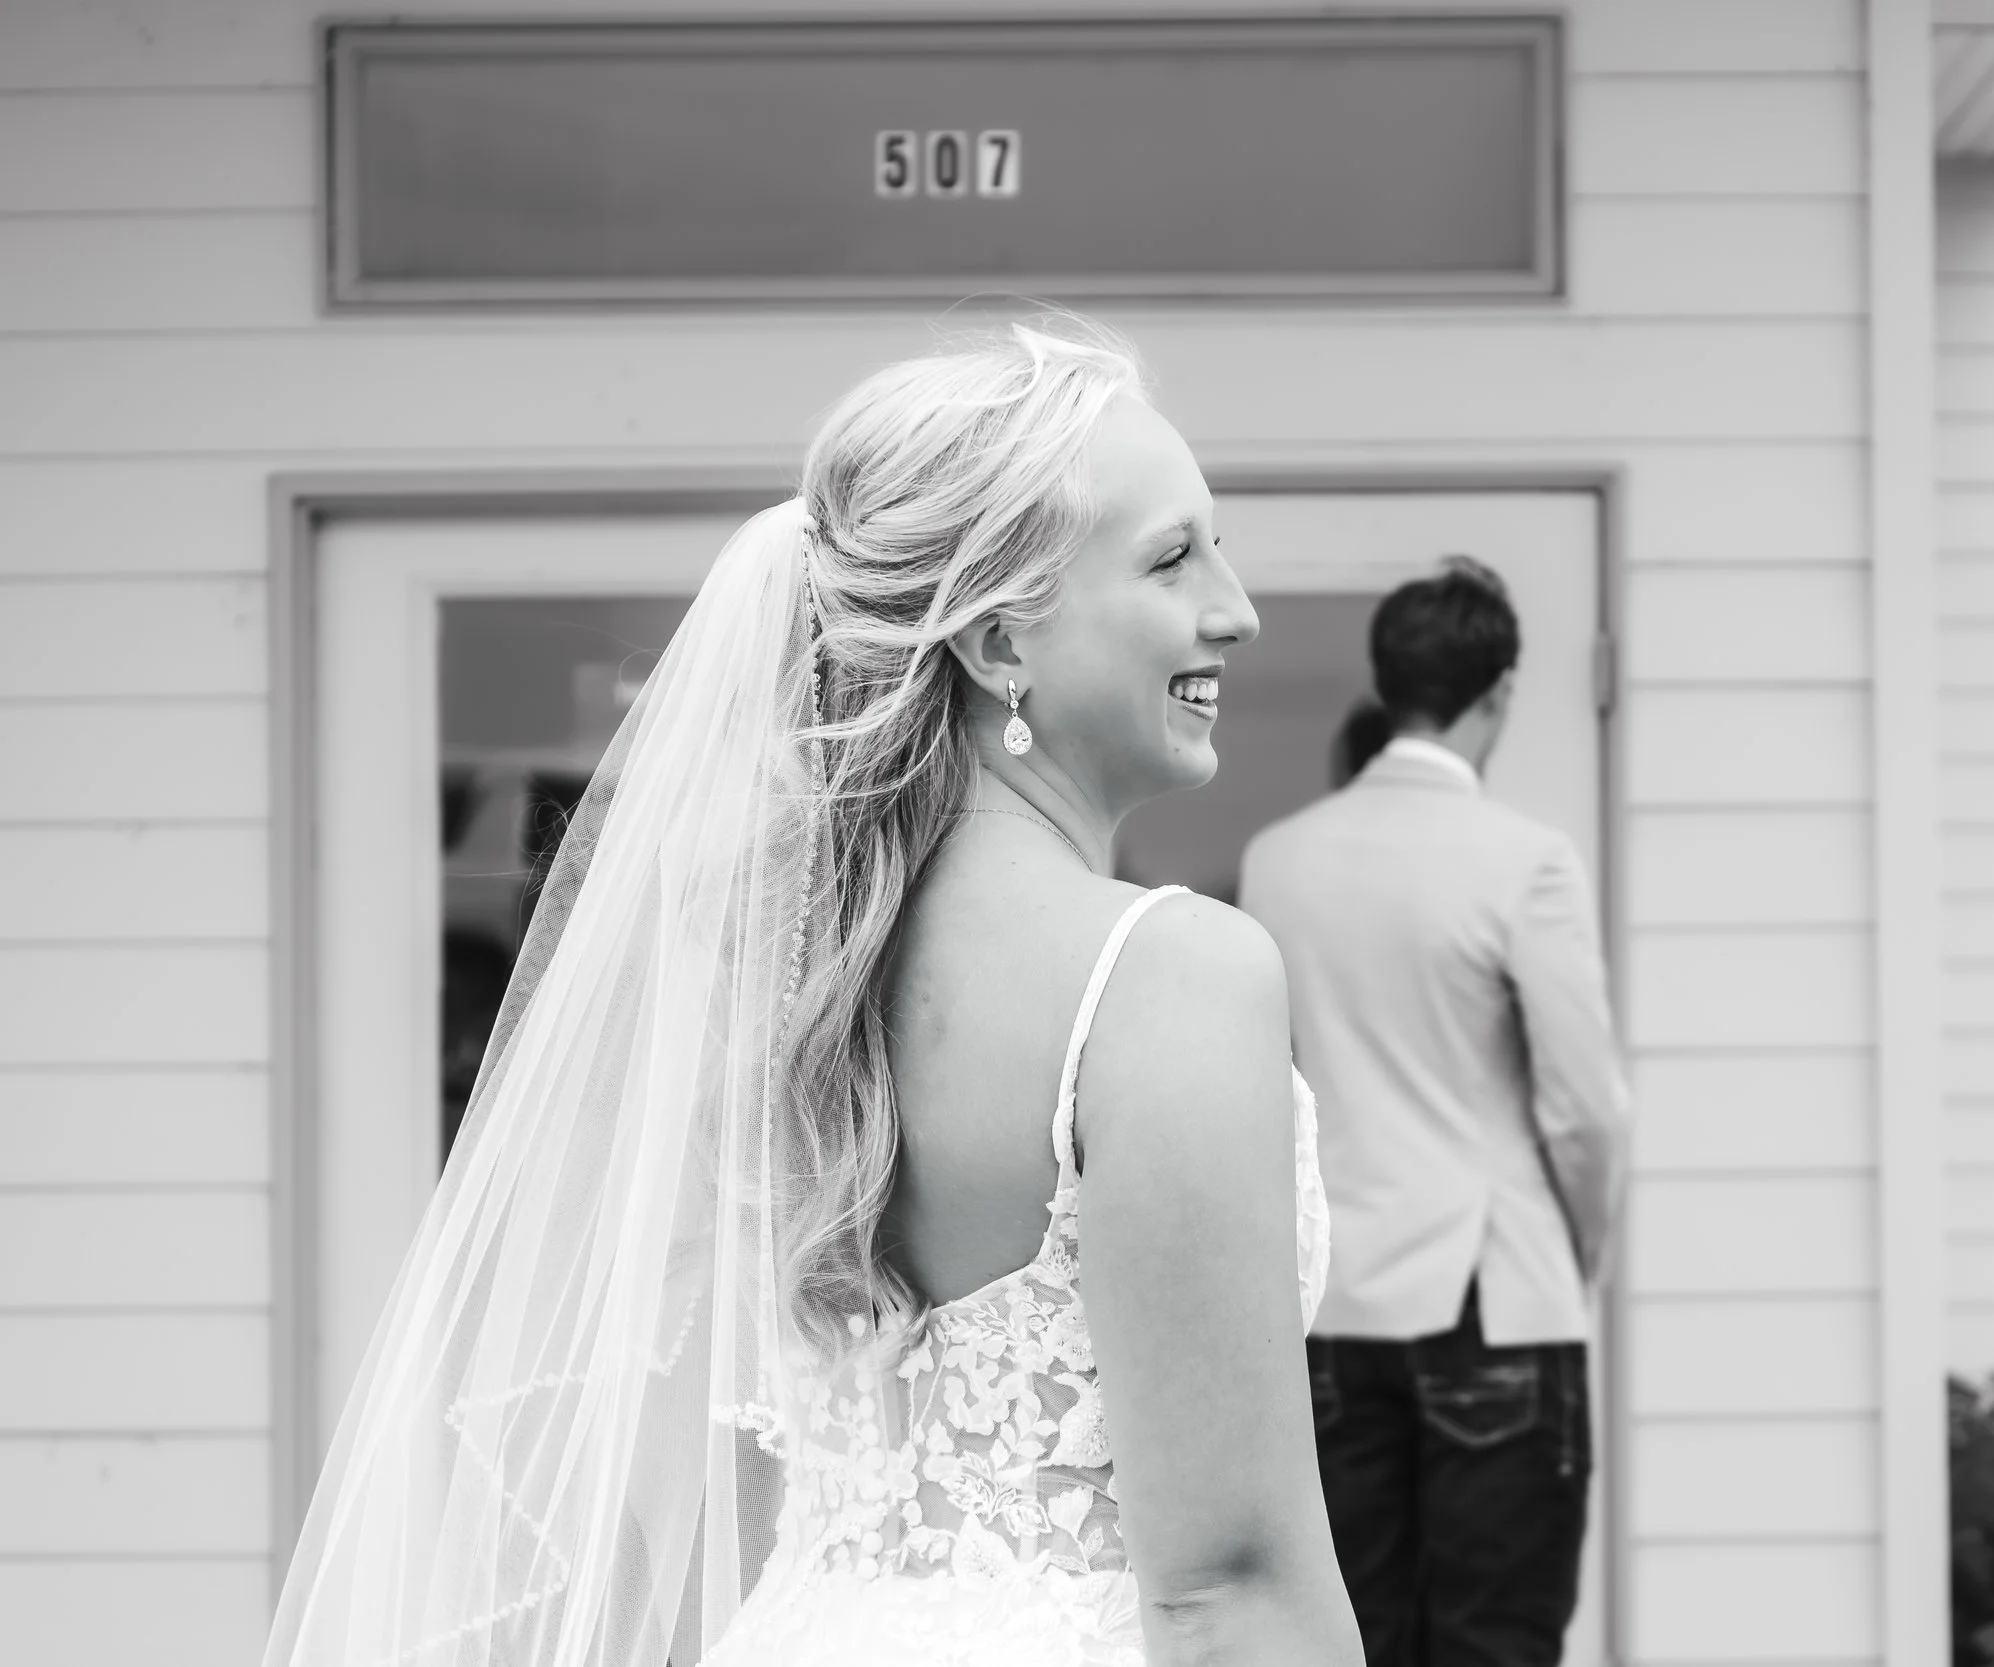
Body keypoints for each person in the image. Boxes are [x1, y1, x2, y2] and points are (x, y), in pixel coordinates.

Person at [264, 320, 1359, 1667]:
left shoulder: (777, 976)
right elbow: (1228, 1587)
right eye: (1173, 554)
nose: (1236, 606)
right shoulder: (1171, 976)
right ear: (1004, 629)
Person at [1238, 558, 1630, 1667]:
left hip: (1335, 1306)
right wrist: (1577, 1249)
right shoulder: (1525, 860)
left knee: (1355, 1640)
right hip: (1493, 1294)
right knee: (1494, 1644)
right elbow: (1586, 1107)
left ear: (1386, 682)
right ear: (1498, 690)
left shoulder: (1278, 861)